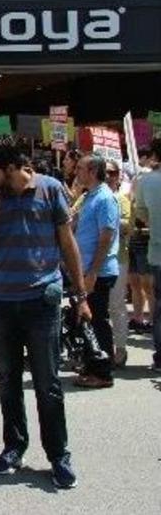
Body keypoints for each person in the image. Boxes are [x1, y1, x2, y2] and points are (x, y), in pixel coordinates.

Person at [0, 136, 90, 489]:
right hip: (0, 303)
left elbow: (67, 242)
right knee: (8, 381)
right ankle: (14, 448)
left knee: (47, 384)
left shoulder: (51, 189)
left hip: (42, 301)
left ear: (9, 167)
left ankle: (59, 456)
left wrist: (80, 294)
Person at [71, 154, 120, 388]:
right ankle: (92, 365)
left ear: (92, 171)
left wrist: (93, 272)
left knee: (97, 320)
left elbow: (106, 237)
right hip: (86, 268)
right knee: (87, 321)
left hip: (98, 271)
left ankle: (103, 372)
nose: (76, 172)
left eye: (80, 168)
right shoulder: (88, 196)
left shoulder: (105, 198)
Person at [132, 137, 161, 372]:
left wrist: (155, 224)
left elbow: (140, 211)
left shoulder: (146, 181)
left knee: (159, 305)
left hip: (157, 249)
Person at [105, 159, 131, 368]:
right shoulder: (87, 197)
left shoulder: (121, 199)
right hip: (91, 261)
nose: (108, 177)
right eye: (104, 172)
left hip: (117, 259)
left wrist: (106, 216)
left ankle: (120, 347)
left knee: (116, 305)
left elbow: (127, 226)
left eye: (112, 173)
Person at [128, 148, 155, 335]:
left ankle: (153, 320)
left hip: (146, 240)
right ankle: (138, 318)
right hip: (134, 239)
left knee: (148, 284)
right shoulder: (132, 194)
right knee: (134, 282)